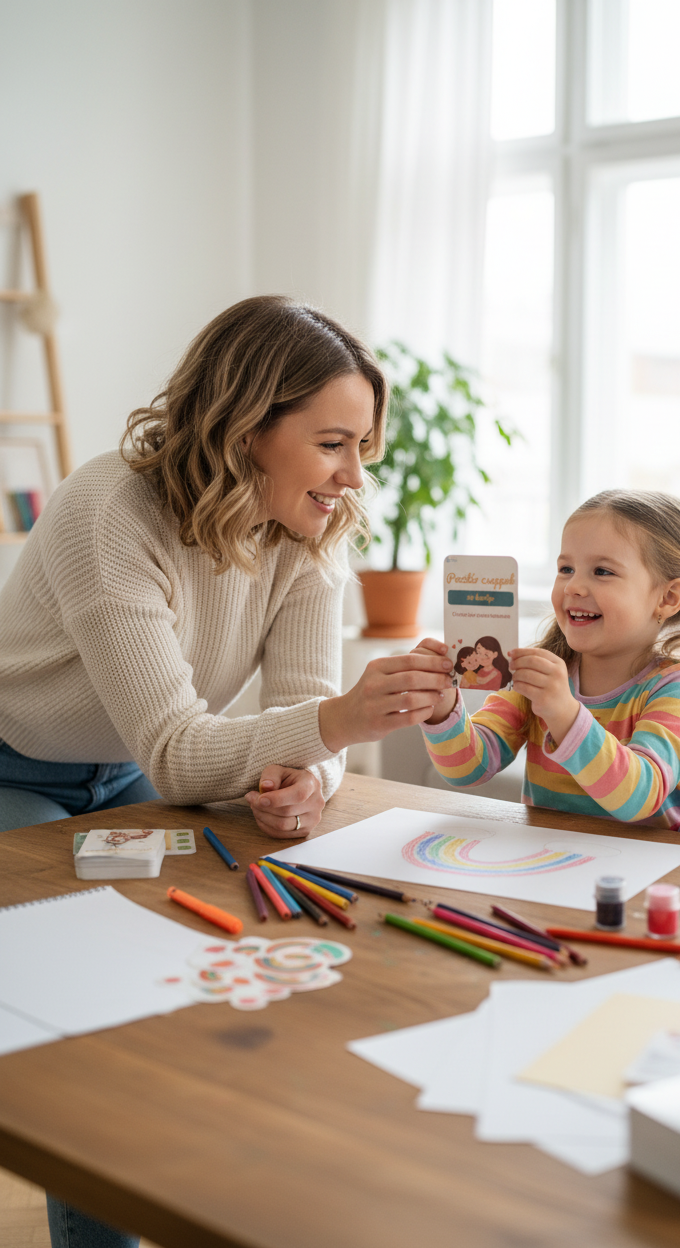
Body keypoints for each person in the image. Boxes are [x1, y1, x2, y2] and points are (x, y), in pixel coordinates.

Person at [0, 295, 454, 1248]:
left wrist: (302, 784)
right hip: (19, 764)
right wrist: (333, 726)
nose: (353, 476)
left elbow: (298, 718)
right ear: (248, 428)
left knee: (199, 974)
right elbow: (180, 747)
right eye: (334, 443)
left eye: (363, 446)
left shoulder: (309, 534)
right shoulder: (108, 511)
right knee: (87, 1009)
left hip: (125, 766)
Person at [414, 489, 680, 850]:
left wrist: (564, 714)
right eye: (566, 568)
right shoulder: (537, 677)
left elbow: (639, 797)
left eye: (602, 572)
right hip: (553, 862)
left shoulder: (677, 688)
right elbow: (467, 769)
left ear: (668, 598)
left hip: (652, 876)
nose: (574, 586)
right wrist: (444, 707)